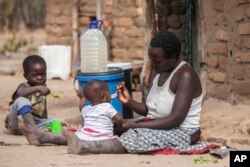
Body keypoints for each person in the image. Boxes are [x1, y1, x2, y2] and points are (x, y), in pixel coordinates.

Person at [19, 31, 216, 154]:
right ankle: (42, 137)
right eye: (151, 59)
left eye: (157, 60)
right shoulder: (160, 72)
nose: (152, 65)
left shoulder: (185, 76)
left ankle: (83, 147)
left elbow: (175, 119)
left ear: (172, 57)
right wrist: (129, 102)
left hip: (181, 132)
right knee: (105, 127)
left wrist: (134, 124)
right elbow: (150, 110)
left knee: (132, 136)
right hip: (157, 124)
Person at [18, 80, 126, 150]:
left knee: (66, 138)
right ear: (103, 97)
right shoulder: (107, 107)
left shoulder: (88, 109)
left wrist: (82, 99)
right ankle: (42, 136)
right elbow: (119, 119)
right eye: (108, 93)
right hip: (102, 138)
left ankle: (42, 137)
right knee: (117, 143)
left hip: (85, 134)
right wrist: (123, 122)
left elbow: (81, 107)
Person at [4, 55, 57, 135]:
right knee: (22, 100)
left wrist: (45, 121)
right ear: (26, 76)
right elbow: (20, 93)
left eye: (43, 74)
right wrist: (38, 88)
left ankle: (45, 133)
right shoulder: (24, 86)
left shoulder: (43, 88)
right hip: (16, 122)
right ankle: (35, 131)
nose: (40, 77)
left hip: (30, 125)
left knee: (57, 122)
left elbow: (43, 109)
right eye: (35, 75)